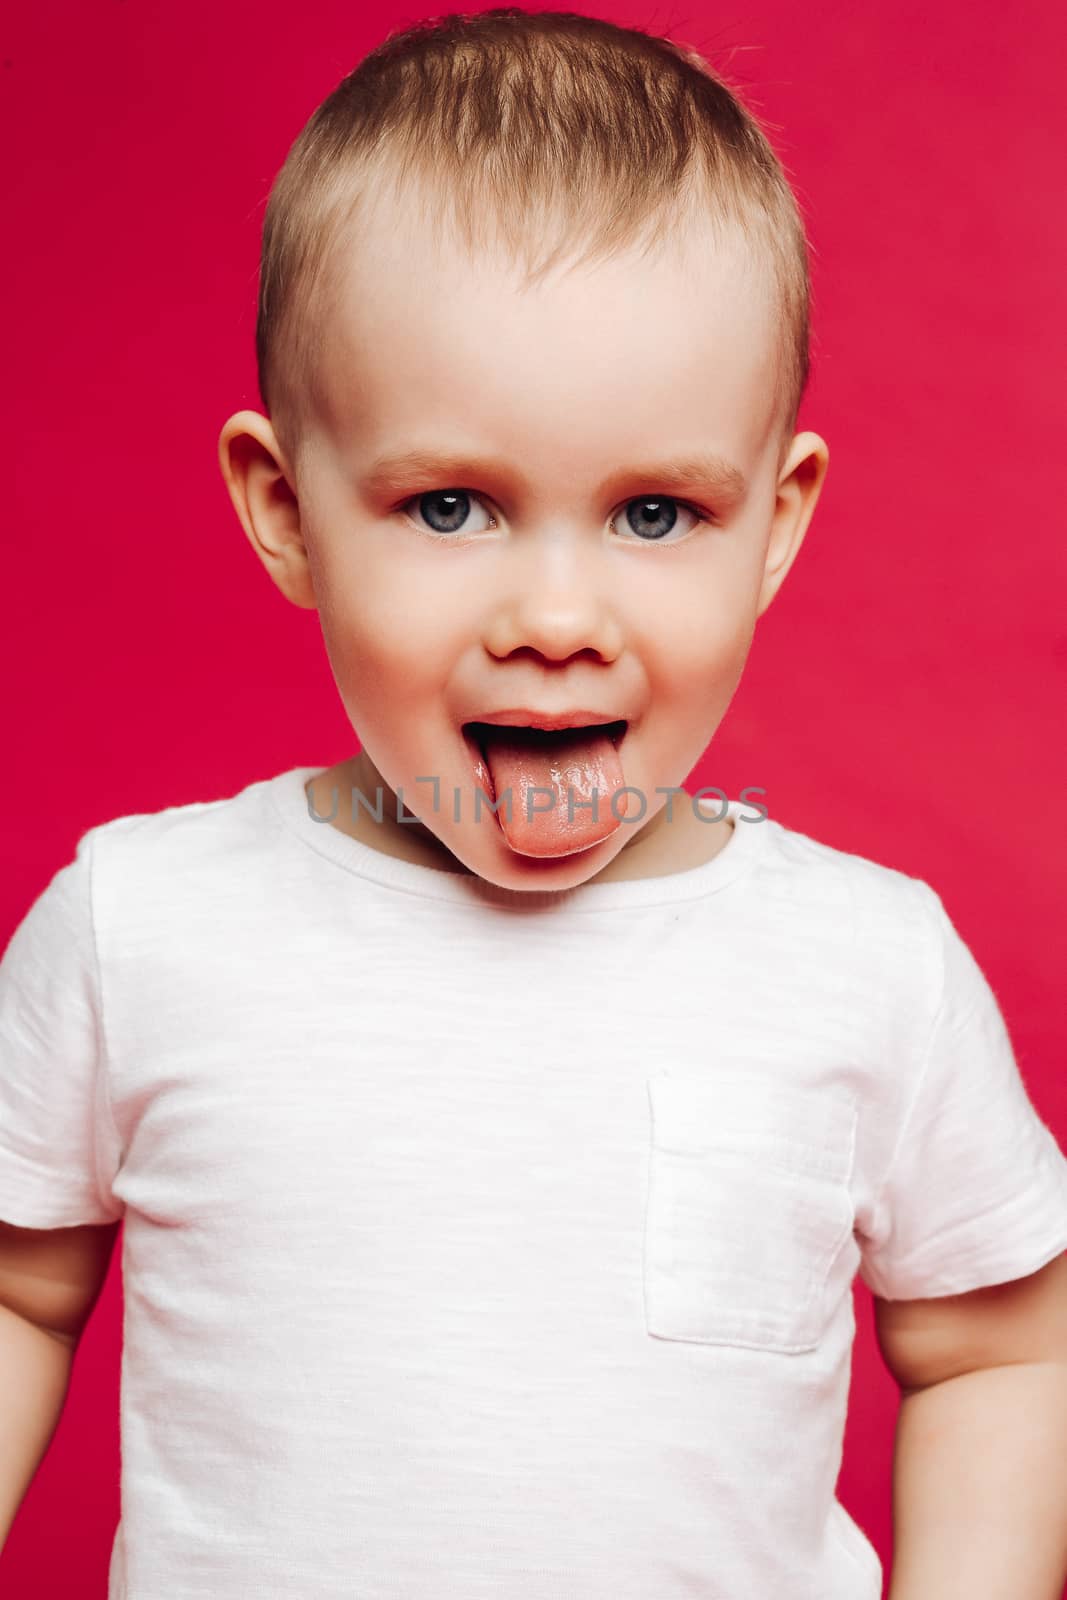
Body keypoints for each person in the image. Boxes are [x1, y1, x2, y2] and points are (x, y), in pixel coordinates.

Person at [2, 10, 1066, 1598]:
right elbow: (22, 1296)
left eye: (655, 511)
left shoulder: (871, 967)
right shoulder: (138, 931)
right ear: (286, 511)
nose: (557, 612)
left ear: (772, 526)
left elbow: (995, 1349)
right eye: (452, 504)